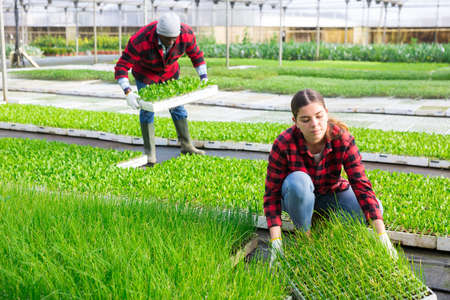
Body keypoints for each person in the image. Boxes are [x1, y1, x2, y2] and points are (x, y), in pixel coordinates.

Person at [264, 89, 397, 266]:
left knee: (375, 207)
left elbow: (361, 184)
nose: (315, 124)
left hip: (331, 193)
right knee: (298, 182)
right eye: (306, 119)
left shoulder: (342, 139)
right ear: (295, 122)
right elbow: (271, 195)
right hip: (298, 198)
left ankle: (324, 226)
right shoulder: (284, 143)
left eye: (319, 116)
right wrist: (276, 243)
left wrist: (382, 236)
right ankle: (306, 239)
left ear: (326, 114)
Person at [115, 12, 207, 167]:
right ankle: (150, 153)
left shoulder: (185, 35)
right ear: (159, 34)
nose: (171, 42)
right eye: (167, 38)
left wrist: (203, 76)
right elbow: (121, 66)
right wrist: (128, 92)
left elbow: (196, 55)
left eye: (174, 38)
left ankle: (187, 145)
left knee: (177, 106)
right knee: (147, 110)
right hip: (145, 74)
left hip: (170, 72)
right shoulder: (140, 40)